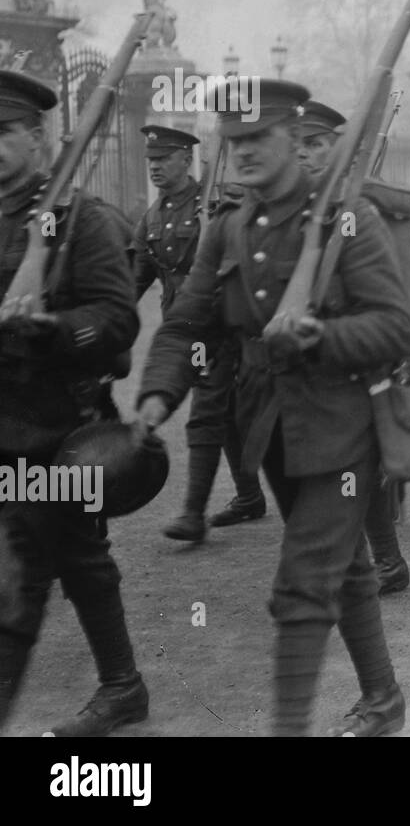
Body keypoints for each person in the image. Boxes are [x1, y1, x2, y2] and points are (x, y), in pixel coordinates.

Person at [137, 80, 410, 736]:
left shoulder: (351, 219)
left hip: (348, 426)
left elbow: (398, 326)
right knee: (343, 569)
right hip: (272, 428)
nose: (245, 152)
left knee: (300, 585)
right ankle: (384, 700)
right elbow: (184, 324)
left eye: (259, 137)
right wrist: (157, 394)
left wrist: (322, 335)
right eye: (234, 141)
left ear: (294, 139)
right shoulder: (230, 228)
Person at [0, 70, 145, 736]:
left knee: (24, 571)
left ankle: (120, 686)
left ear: (38, 137)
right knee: (72, 557)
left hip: (56, 425)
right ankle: (124, 685)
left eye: (3, 132)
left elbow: (117, 322)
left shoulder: (82, 219)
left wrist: (51, 330)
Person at [293, 98, 410, 595]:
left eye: (316, 145)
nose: (304, 156)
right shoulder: (283, 210)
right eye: (296, 146)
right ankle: (361, 561)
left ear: (337, 149)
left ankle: (383, 561)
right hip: (303, 364)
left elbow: (400, 290)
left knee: (358, 469)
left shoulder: (366, 208)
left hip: (360, 356)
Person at [136, 125, 266, 543]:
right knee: (224, 412)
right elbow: (134, 280)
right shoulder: (152, 217)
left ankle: (192, 514)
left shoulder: (216, 204)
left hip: (220, 326)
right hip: (184, 326)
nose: (155, 167)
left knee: (207, 408)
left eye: (163, 159)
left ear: (184, 160)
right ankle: (248, 496)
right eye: (151, 160)